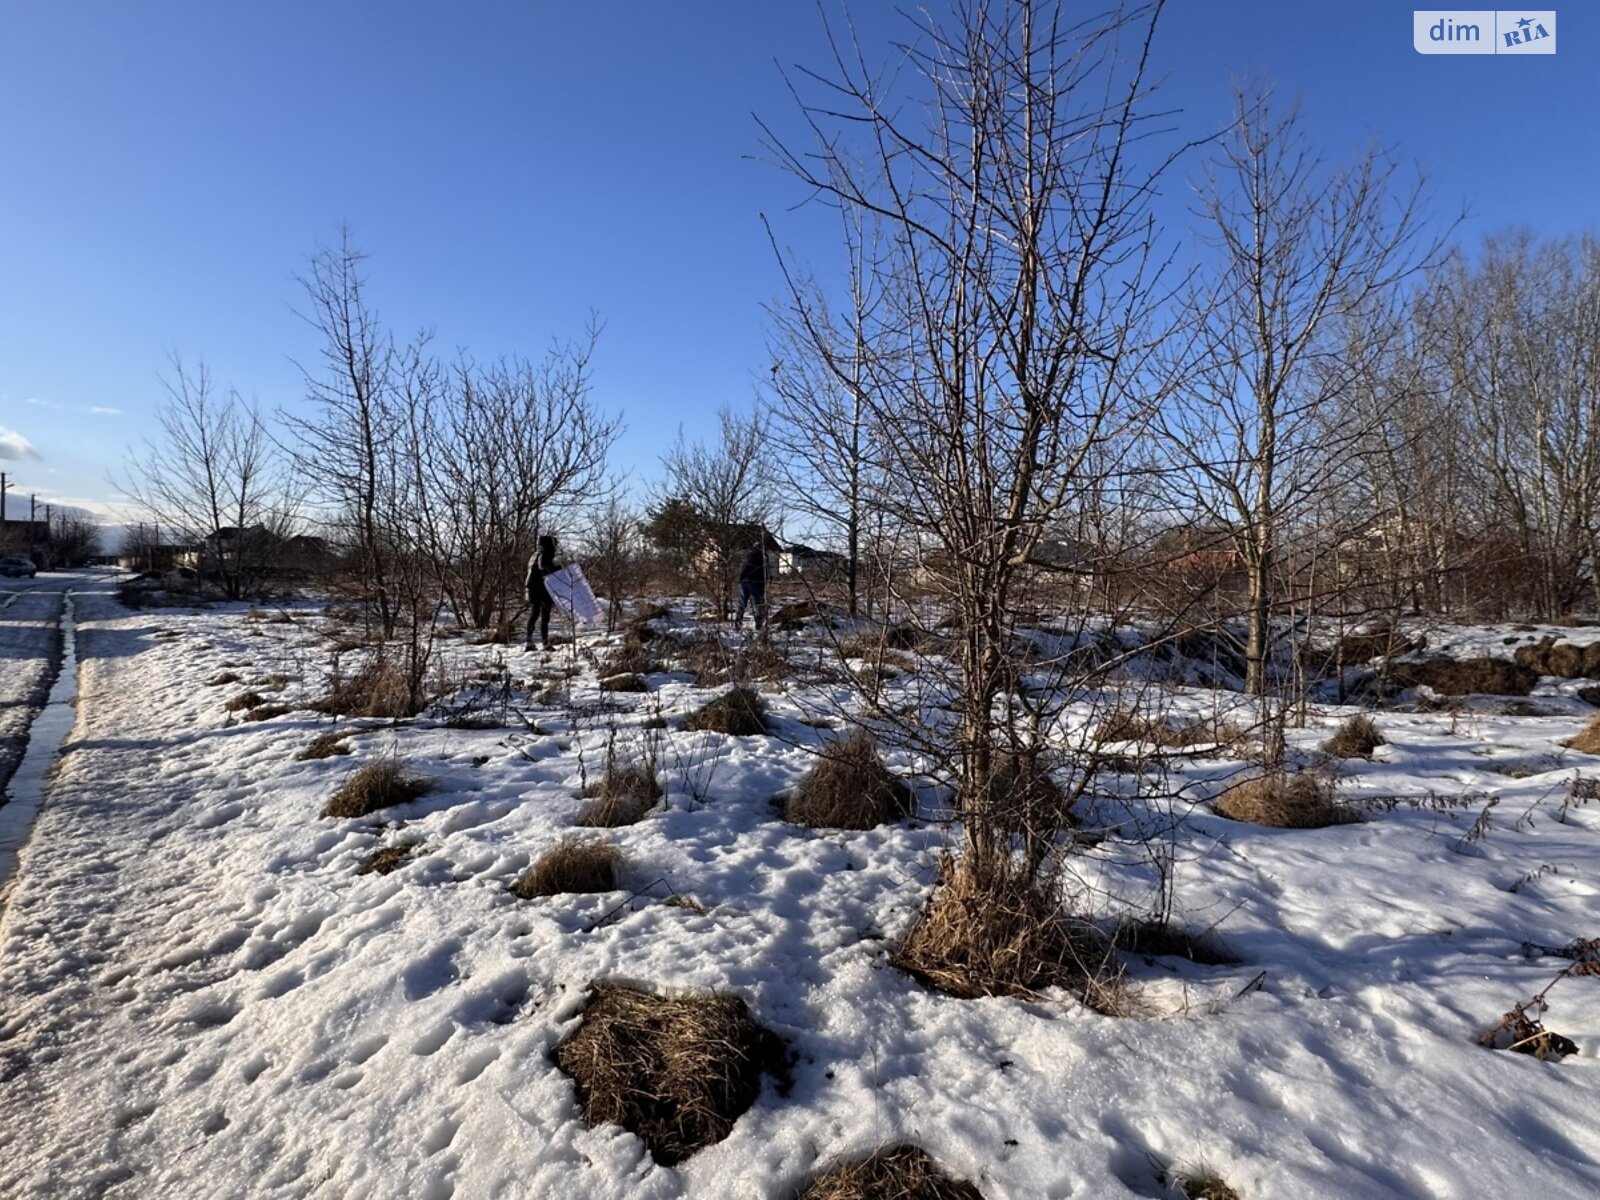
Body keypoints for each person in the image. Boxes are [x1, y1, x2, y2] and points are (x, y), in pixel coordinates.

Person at [526, 534, 558, 651]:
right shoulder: (545, 554)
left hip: (532, 588)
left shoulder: (535, 554)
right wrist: (558, 570)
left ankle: (530, 642)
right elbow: (544, 566)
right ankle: (544, 643)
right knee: (544, 616)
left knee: (534, 615)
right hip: (541, 589)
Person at [735, 542, 768, 631]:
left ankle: (738, 624)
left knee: (742, 604)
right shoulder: (763, 557)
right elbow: (765, 572)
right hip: (756, 582)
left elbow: (742, 568)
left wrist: (740, 580)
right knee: (759, 604)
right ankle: (759, 625)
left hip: (744, 582)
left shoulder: (748, 555)